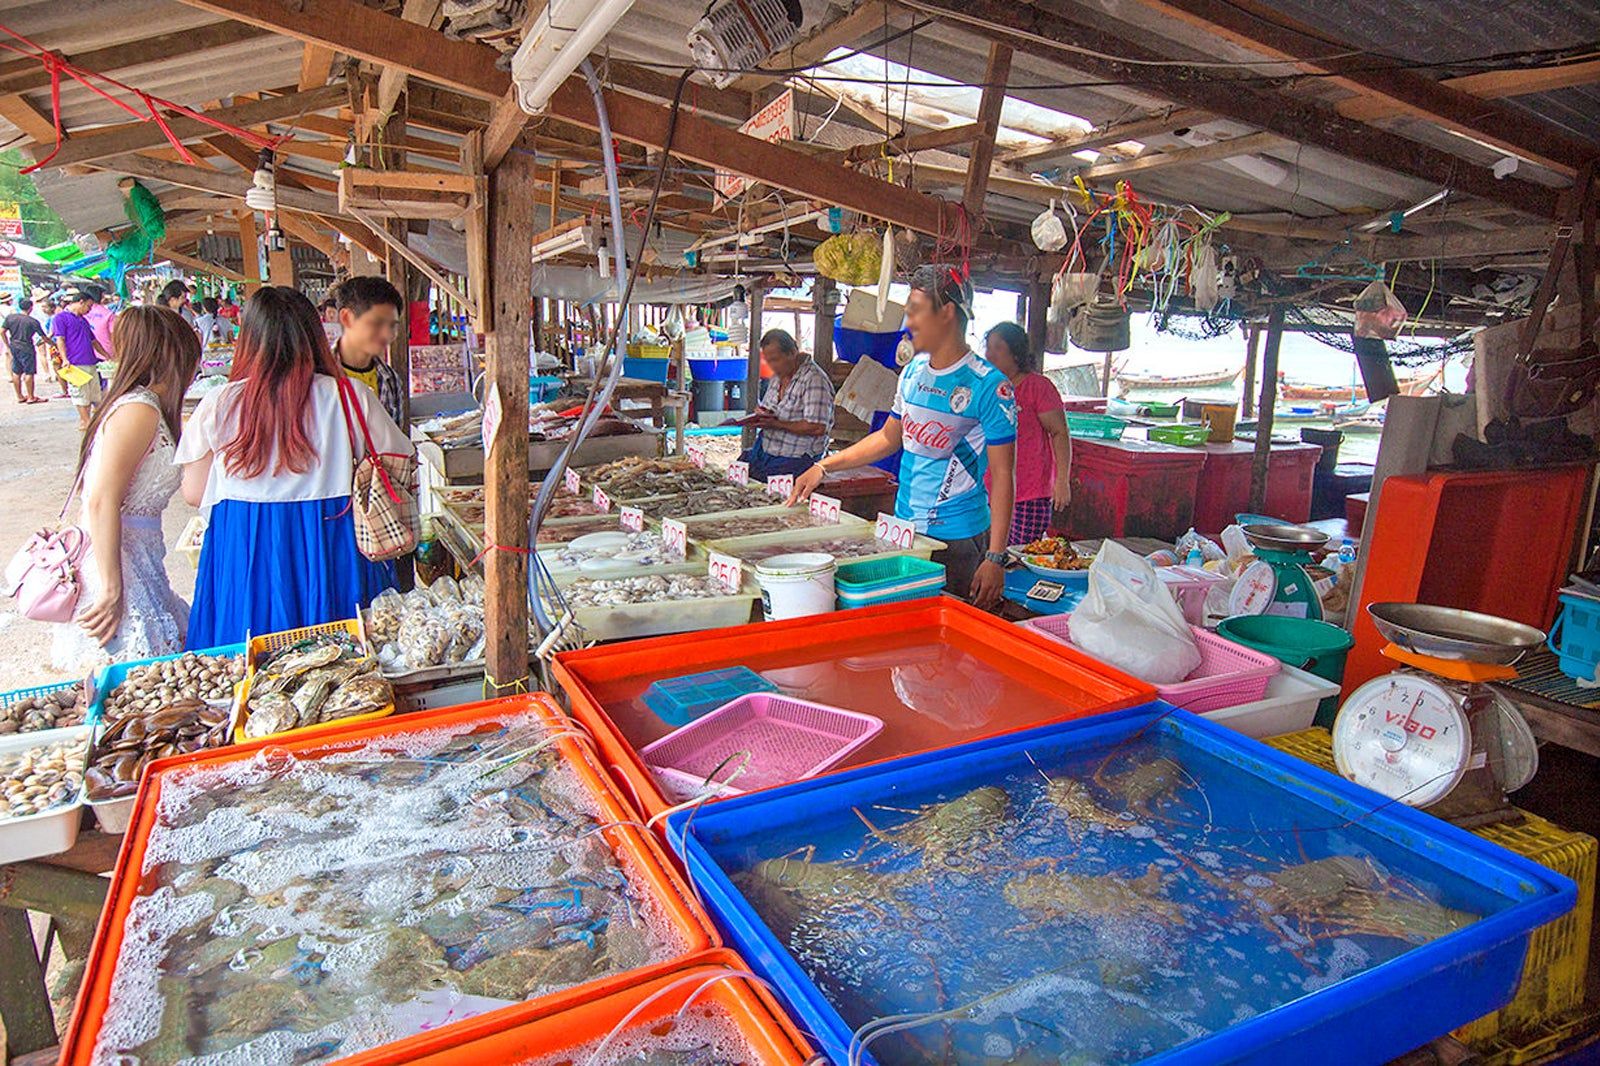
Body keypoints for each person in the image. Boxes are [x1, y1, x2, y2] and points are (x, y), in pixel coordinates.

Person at [177, 286, 413, 648]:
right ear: (313, 336)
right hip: (332, 537)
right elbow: (400, 460)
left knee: (247, 657)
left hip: (244, 541)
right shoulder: (349, 395)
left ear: (249, 338)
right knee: (342, 655)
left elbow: (194, 493)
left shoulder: (219, 403)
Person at [790, 265, 1016, 606]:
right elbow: (888, 438)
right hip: (906, 529)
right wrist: (824, 467)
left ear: (947, 314)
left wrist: (995, 556)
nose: (908, 322)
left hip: (959, 538)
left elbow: (1003, 475)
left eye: (916, 311)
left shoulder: (988, 385)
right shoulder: (911, 373)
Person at [53, 306, 200, 671]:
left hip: (137, 557)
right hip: (118, 561)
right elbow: (101, 499)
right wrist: (111, 586)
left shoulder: (145, 407)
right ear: (171, 353)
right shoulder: (138, 410)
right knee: (136, 674)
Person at [982, 322, 1071, 545]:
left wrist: (1062, 480)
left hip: (1029, 493)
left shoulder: (1038, 387)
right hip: (988, 490)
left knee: (1019, 554)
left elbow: (1059, 432)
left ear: (1016, 354)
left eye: (998, 348)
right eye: (988, 347)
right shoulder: (987, 388)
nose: (990, 355)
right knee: (988, 553)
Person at [738, 328, 834, 480]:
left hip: (795, 457)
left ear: (792, 352)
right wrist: (762, 414)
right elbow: (771, 407)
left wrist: (777, 424)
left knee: (763, 487)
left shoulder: (814, 380)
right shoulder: (778, 377)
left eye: (775, 360)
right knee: (737, 473)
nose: (772, 365)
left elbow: (817, 427)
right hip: (765, 449)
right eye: (768, 361)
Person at [332, 276, 406, 426]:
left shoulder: (390, 380)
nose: (387, 334)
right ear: (347, 318)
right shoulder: (319, 375)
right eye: (377, 323)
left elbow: (395, 437)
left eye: (392, 325)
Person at [50, 289, 112, 429]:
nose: (89, 310)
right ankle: (85, 420)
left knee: (94, 393)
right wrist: (65, 359)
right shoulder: (61, 318)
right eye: (88, 306)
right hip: (75, 362)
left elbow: (93, 341)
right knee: (80, 394)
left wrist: (106, 355)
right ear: (80, 302)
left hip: (90, 360)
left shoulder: (83, 320)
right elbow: (60, 339)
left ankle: (90, 420)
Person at [4, 297, 49, 404]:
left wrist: (7, 344)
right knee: (29, 372)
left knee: (16, 371)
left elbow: (2, 331)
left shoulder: (10, 318)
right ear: (31, 308)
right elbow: (43, 337)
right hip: (27, 347)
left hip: (14, 345)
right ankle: (31, 396)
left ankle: (19, 396)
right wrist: (53, 344)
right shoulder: (32, 321)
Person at [84, 285, 117, 360]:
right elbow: (114, 335)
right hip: (107, 354)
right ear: (101, 297)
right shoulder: (108, 314)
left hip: (86, 354)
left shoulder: (81, 313)